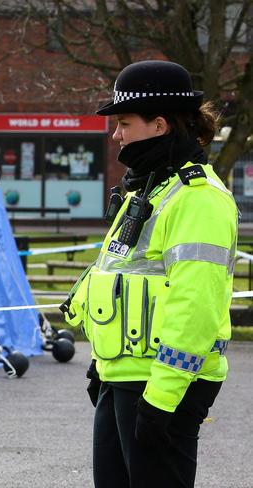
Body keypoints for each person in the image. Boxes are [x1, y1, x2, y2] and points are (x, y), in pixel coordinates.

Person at [61, 60, 238, 488]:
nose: (116, 135)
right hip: (124, 376)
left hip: (162, 384)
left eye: (123, 123)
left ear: (159, 125)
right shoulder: (148, 188)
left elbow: (194, 307)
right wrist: (102, 366)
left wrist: (162, 398)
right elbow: (114, 273)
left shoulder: (198, 199)